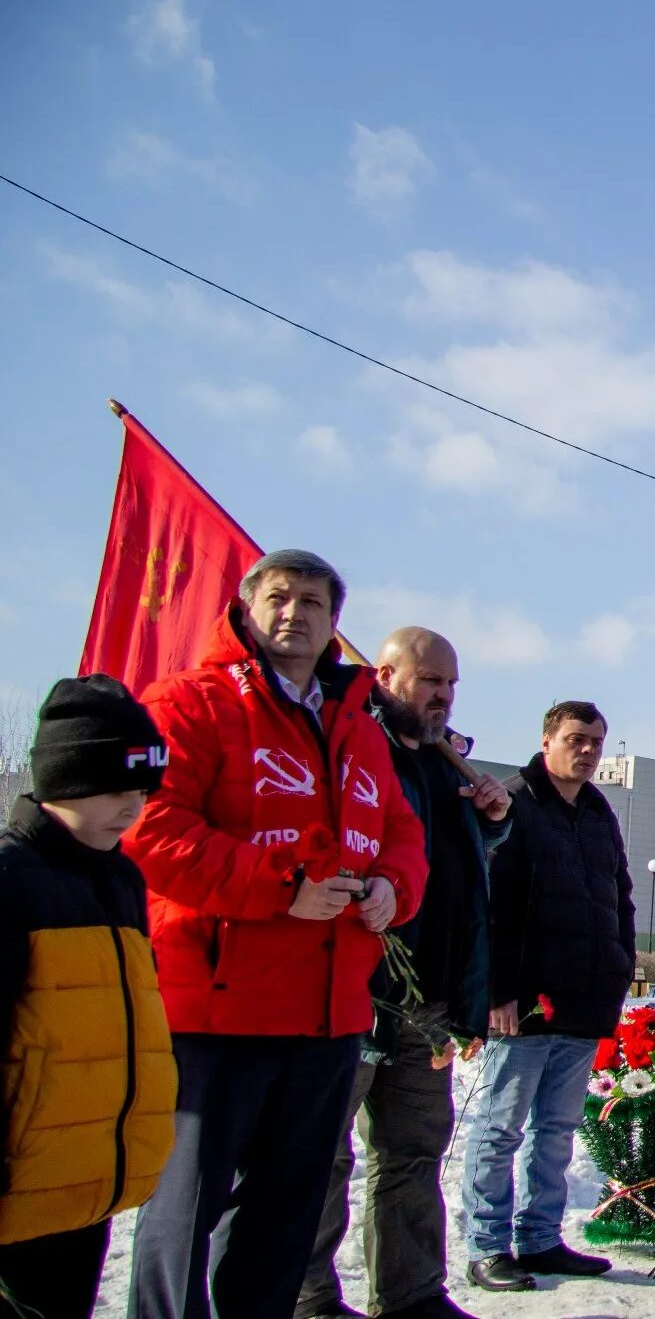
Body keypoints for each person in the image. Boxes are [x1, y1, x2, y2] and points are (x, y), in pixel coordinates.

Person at [126, 550, 428, 1319]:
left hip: (327, 1014)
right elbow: (152, 828)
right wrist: (281, 889)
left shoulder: (356, 727)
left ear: (334, 624)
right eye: (280, 597)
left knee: (286, 1216)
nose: (295, 613)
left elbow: (401, 831)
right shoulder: (190, 703)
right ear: (246, 607)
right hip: (219, 1010)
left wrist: (394, 886)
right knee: (184, 1212)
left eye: (314, 602)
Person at [298, 629, 511, 1319]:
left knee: (413, 1149)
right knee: (321, 1156)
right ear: (384, 673)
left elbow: (449, 865)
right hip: (357, 985)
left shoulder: (448, 766)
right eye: (428, 681)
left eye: (450, 685)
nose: (442, 696)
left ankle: (412, 1293)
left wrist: (490, 823)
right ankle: (308, 1298)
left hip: (431, 997)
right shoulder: (353, 748)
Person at [0, 677, 176, 1319]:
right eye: (114, 784)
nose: (132, 804)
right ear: (63, 778)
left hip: (88, 1174)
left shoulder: (123, 877)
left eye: (142, 787)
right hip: (21, 1178)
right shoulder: (13, 877)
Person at [461, 701, 633, 1293]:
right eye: (576, 739)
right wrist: (499, 991)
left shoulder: (597, 811)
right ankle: (487, 1245)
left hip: (585, 997)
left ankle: (539, 1240)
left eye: (596, 742)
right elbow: (494, 906)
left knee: (556, 1130)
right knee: (501, 1127)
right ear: (546, 740)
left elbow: (621, 895)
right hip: (526, 1002)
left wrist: (620, 967)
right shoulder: (514, 802)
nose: (587, 751)